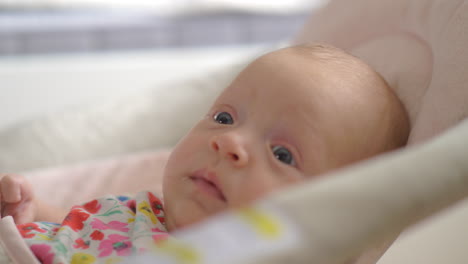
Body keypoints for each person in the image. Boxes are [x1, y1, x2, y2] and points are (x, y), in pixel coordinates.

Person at [0, 44, 410, 263]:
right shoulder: (147, 210)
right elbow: (79, 228)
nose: (228, 142)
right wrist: (34, 211)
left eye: (283, 155)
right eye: (224, 117)